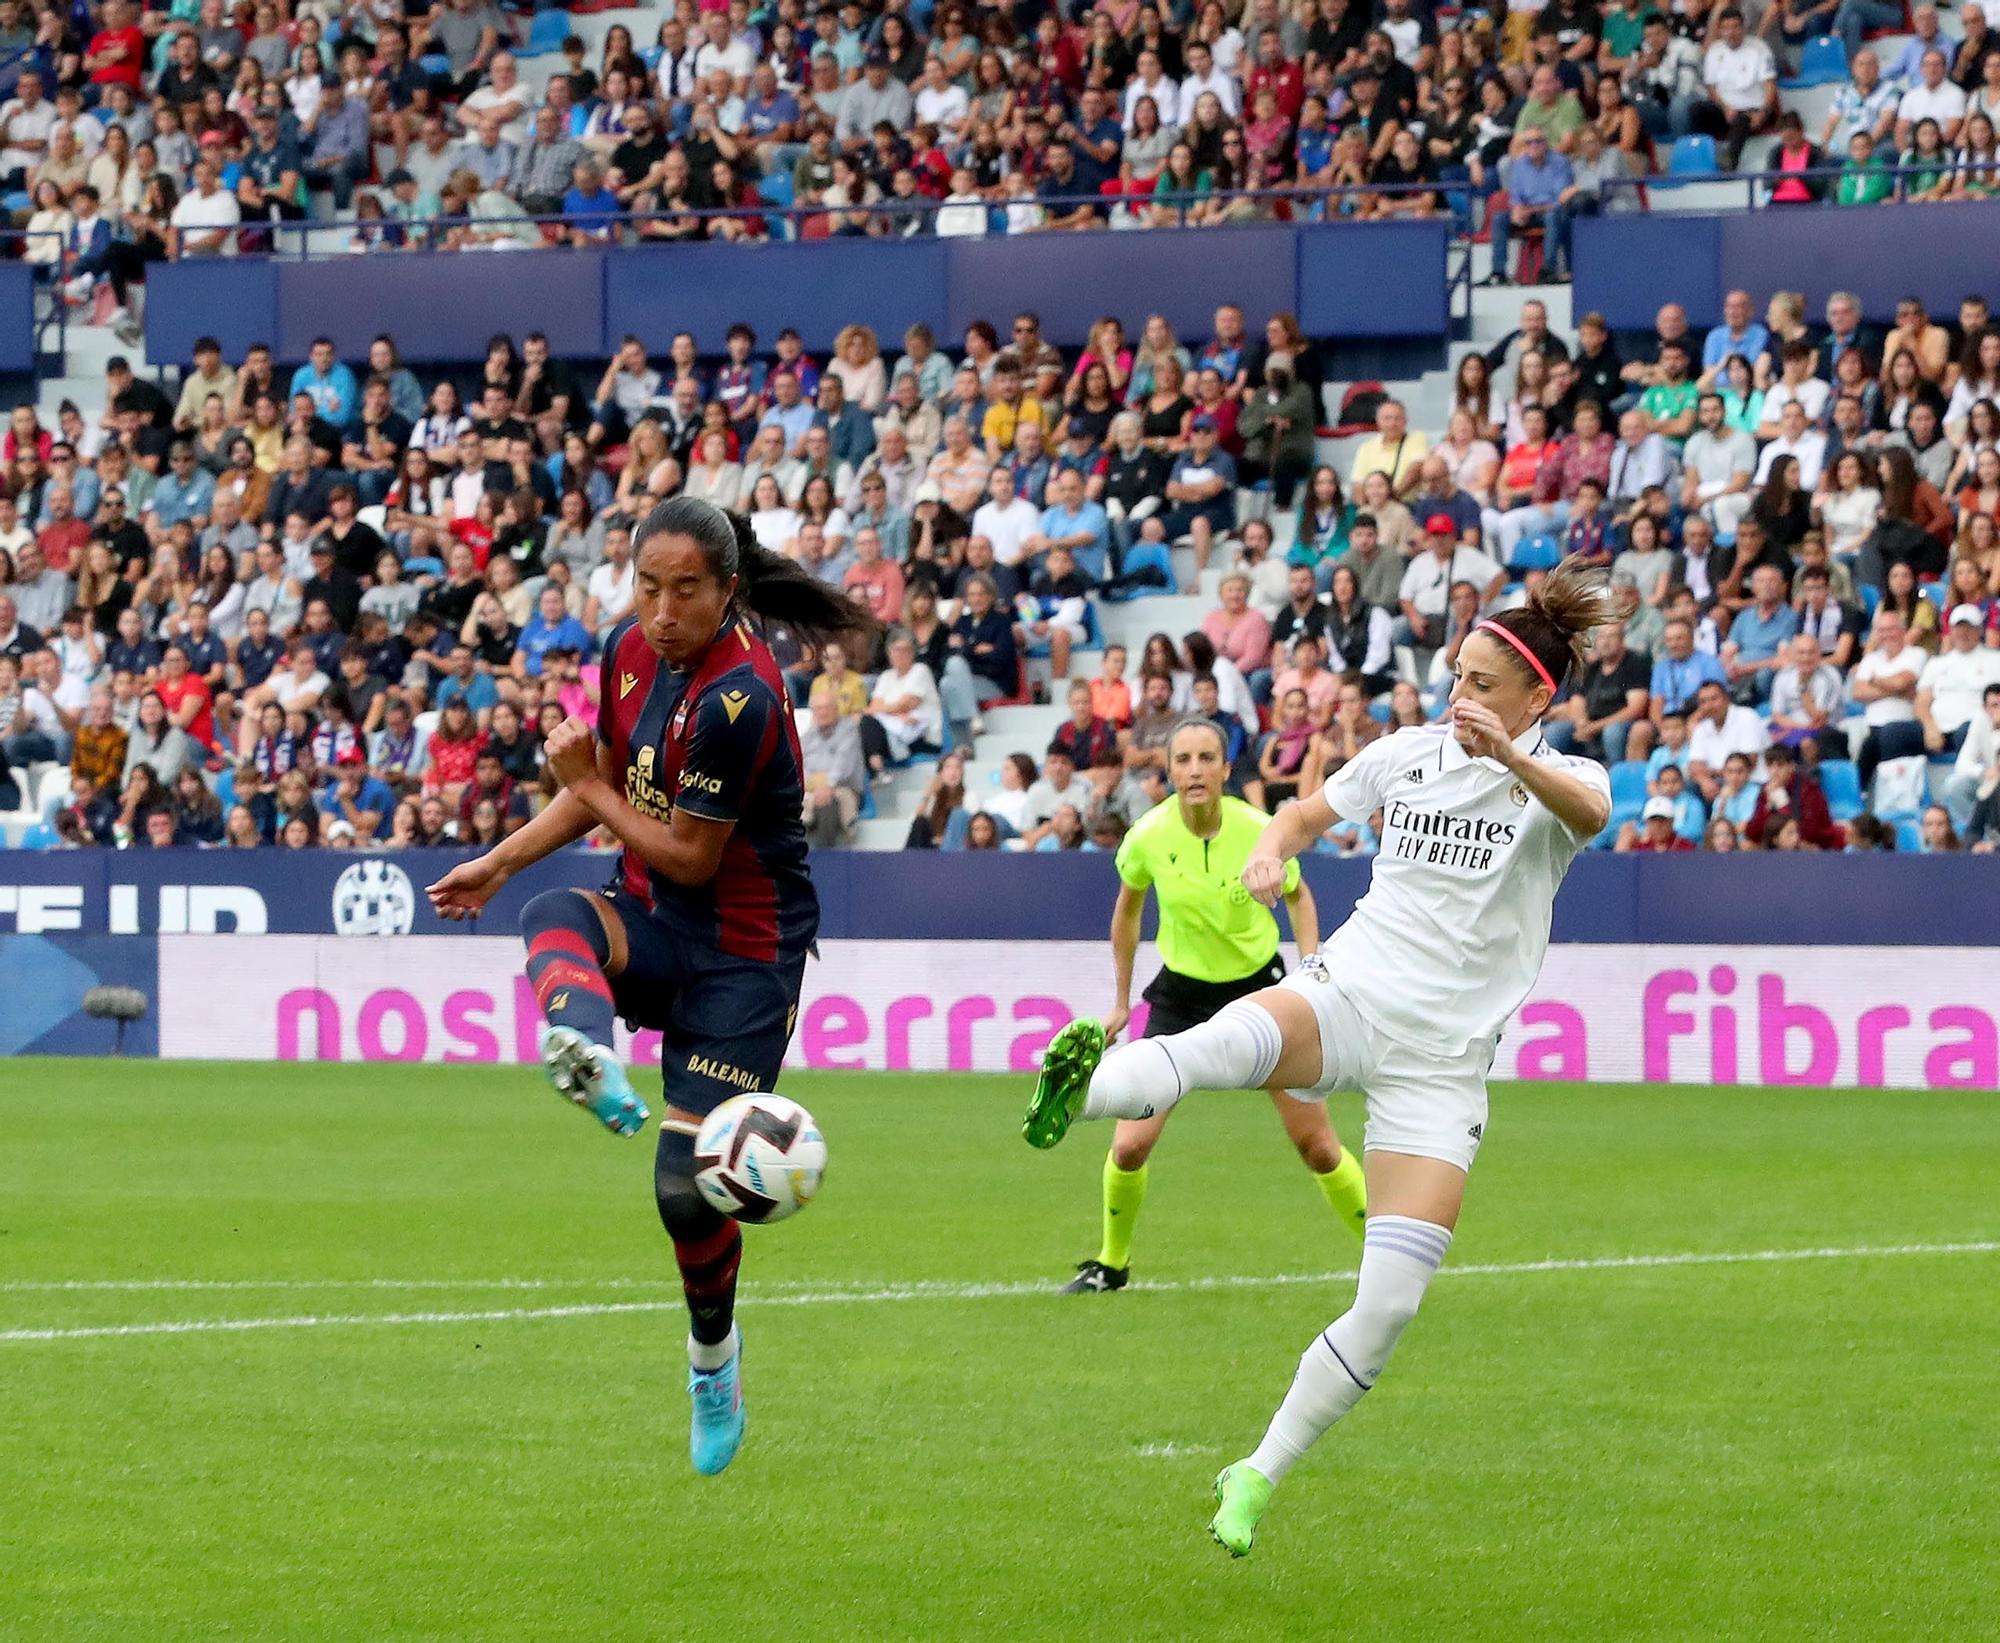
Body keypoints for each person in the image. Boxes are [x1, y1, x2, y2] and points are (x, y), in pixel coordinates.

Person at [1022, 558, 1626, 1559]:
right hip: (1351, 990)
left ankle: (1254, 1469)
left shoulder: (1565, 780)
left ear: (1536, 698)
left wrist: (1509, 760)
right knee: (1215, 1046)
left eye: (1482, 683)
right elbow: (1306, 814)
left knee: (1387, 1304)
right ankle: (1082, 1087)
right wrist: (1271, 851)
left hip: (1441, 1066)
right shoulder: (1406, 753)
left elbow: (1588, 816)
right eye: (1456, 675)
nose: (1458, 696)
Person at [425, 497, 879, 1479]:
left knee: (684, 1192)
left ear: (726, 591)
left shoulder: (742, 699)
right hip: (657, 921)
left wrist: (584, 785)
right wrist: (498, 860)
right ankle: (586, 1047)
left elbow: (681, 849)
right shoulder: (628, 651)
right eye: (649, 587)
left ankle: (712, 1365)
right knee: (549, 912)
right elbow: (612, 787)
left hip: (743, 959)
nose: (663, 609)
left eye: (686, 591)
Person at [1056, 714, 1364, 1298]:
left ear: (1226, 769)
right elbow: (1126, 912)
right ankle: (1111, 1265)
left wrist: (1310, 968)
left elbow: (1299, 897)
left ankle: (1385, 1259)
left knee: (1318, 1147)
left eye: (1206, 759)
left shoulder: (1259, 829)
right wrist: (1120, 1001)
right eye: (1182, 760)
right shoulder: (1147, 836)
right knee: (1129, 1146)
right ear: (1168, 771)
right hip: (1179, 996)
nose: (1194, 770)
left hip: (1260, 992)